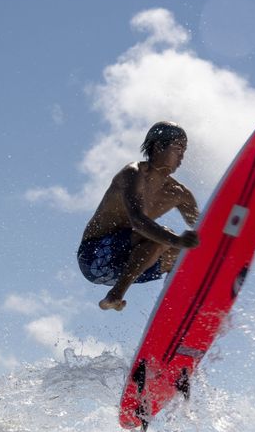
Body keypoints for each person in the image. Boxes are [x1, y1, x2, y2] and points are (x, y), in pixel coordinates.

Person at [78, 121, 200, 311]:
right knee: (164, 237)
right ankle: (115, 296)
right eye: (178, 149)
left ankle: (176, 309)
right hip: (93, 258)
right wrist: (176, 240)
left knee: (184, 254)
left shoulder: (179, 193)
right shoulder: (133, 174)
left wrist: (247, 233)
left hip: (122, 268)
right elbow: (138, 221)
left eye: (184, 150)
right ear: (159, 146)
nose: (182, 156)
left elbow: (205, 230)